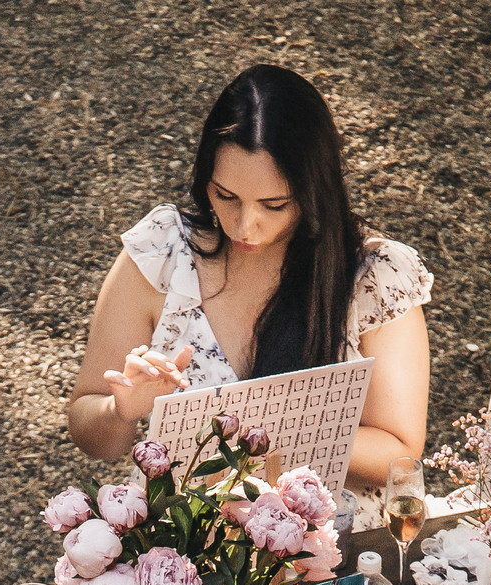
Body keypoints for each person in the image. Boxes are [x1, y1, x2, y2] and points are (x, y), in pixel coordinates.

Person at [66, 66, 430, 513]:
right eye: (226, 196)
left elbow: (400, 449)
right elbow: (91, 431)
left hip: (332, 547)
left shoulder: (372, 276)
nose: (244, 225)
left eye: (274, 204)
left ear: (314, 191)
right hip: (181, 551)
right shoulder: (163, 253)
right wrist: (120, 411)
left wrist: (262, 426)